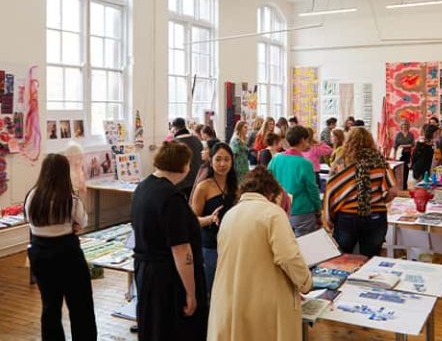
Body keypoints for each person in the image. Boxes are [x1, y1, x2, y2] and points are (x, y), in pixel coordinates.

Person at [207, 166, 312, 341]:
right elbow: (288, 257)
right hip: (265, 303)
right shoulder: (273, 214)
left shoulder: (230, 215)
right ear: (271, 193)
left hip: (232, 297)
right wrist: (305, 282)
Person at [132, 141, 208, 341]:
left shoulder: (143, 187)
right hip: (169, 278)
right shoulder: (171, 198)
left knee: (153, 327)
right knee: (175, 330)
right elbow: (181, 251)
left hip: (147, 272)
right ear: (183, 166)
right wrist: (191, 293)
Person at [25, 154, 96, 340]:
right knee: (81, 305)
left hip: (40, 253)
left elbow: (30, 223)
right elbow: (82, 222)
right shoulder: (70, 199)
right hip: (67, 253)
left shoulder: (32, 196)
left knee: (50, 306)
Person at [325, 127, 399, 256]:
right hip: (375, 215)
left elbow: (331, 189)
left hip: (346, 216)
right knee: (371, 258)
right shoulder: (379, 161)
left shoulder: (341, 162)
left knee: (343, 258)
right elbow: (393, 190)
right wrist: (381, 200)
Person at [189, 143, 238, 295]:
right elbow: (192, 220)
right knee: (211, 290)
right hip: (210, 246)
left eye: (226, 160)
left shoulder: (235, 185)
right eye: (218, 159)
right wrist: (210, 219)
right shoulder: (203, 187)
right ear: (210, 161)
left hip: (232, 244)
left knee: (230, 289)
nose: (222, 164)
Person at [268, 126, 321, 237]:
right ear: (303, 140)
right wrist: (318, 209)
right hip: (302, 211)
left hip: (280, 210)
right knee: (304, 248)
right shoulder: (305, 164)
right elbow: (312, 189)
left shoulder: (275, 159)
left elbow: (267, 182)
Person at [172, 117, 205, 198]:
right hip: (198, 180)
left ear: (175, 128)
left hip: (182, 183)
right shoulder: (197, 140)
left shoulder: (175, 143)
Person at [394, 120, 415, 188]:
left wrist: (405, 146)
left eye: (406, 125)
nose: (404, 126)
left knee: (406, 169)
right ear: (401, 126)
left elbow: (413, 144)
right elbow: (396, 145)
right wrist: (394, 154)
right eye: (403, 125)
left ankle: (405, 184)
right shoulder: (398, 134)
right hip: (400, 154)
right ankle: (400, 185)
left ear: (408, 126)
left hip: (407, 153)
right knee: (400, 169)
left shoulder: (411, 134)